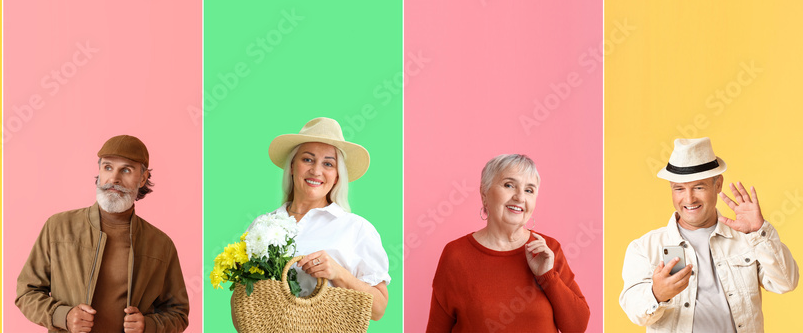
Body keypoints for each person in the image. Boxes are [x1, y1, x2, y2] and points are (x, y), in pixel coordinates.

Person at [620, 137, 799, 332]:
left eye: (699, 187)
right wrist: (657, 294)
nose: (689, 199)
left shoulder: (747, 238)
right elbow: (634, 311)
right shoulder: (645, 248)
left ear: (718, 184)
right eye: (679, 188)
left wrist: (759, 232)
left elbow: (786, 282)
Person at [16, 134, 189, 333]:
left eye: (126, 170)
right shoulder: (58, 227)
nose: (114, 179)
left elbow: (178, 313)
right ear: (99, 171)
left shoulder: (161, 244)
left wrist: (148, 326)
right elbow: (26, 292)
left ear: (142, 178)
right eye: (107, 167)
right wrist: (63, 316)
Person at [426, 154, 590, 332]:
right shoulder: (456, 255)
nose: (520, 197)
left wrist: (547, 277)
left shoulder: (548, 249)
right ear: (484, 193)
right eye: (509, 185)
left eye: (529, 190)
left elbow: (577, 327)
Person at [250, 117, 390, 321]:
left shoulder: (356, 229)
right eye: (307, 159)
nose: (316, 171)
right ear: (291, 166)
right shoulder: (262, 226)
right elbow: (243, 306)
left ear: (337, 176)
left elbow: (378, 310)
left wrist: (339, 273)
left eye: (328, 164)